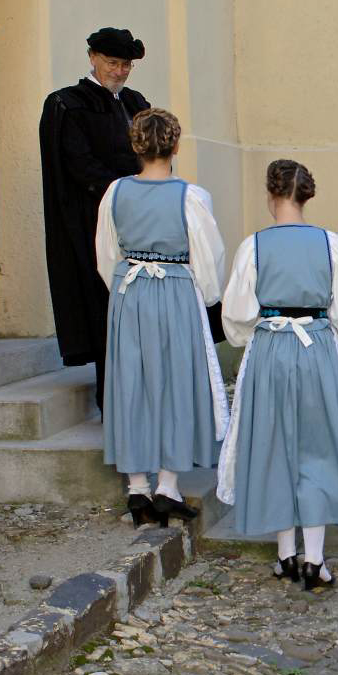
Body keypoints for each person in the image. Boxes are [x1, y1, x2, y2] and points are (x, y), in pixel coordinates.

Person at [217, 160, 338, 588]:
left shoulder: (254, 246)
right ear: (308, 196)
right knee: (317, 447)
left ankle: (285, 554)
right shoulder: (331, 244)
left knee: (274, 443)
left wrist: (257, 332)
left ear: (271, 196)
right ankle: (314, 559)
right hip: (317, 346)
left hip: (269, 348)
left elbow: (236, 314)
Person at [94, 109, 227, 528]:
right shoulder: (192, 196)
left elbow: (105, 255)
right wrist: (206, 295)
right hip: (174, 291)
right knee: (175, 382)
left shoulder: (114, 191)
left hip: (129, 291)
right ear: (175, 146)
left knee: (130, 382)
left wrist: (123, 289)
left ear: (136, 146)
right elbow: (209, 258)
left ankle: (138, 488)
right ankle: (167, 486)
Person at [41, 28, 151, 412]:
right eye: (112, 63)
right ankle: (113, 403)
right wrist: (126, 193)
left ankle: (140, 400)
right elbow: (79, 166)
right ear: (92, 57)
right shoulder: (68, 105)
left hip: (140, 223)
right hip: (94, 223)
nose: (119, 71)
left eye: (125, 65)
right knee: (105, 309)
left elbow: (155, 154)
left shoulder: (136, 104)